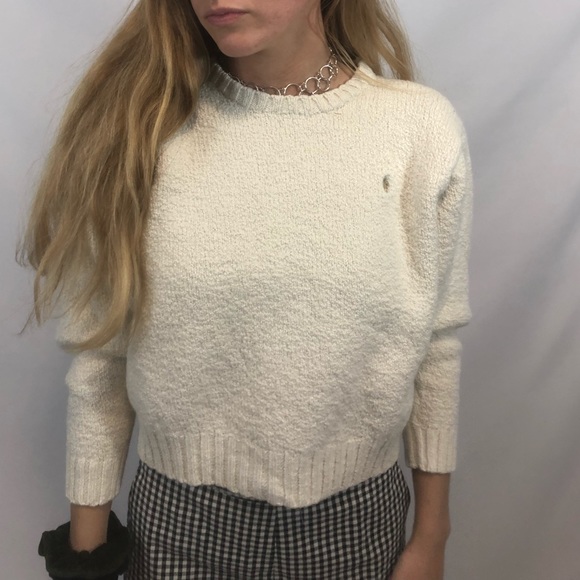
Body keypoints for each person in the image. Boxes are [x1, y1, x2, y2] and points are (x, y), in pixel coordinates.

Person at [20, 0, 474, 578]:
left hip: (357, 523)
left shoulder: (419, 130)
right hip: (179, 525)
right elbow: (100, 359)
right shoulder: (141, 125)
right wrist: (87, 559)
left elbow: (435, 345)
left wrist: (432, 536)